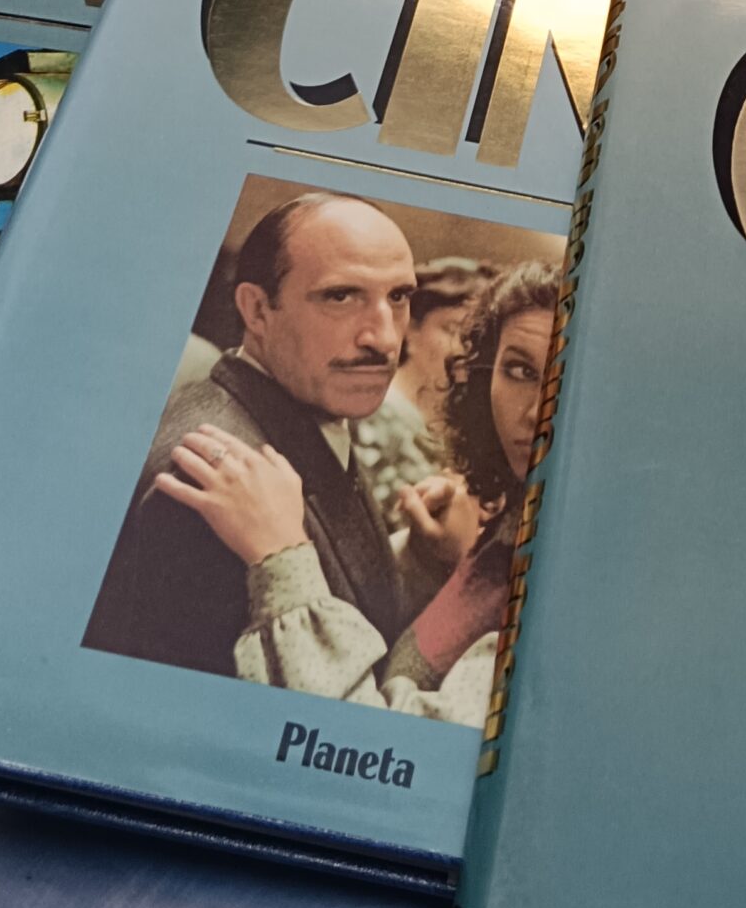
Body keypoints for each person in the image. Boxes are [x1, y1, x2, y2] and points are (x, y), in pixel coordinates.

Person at [83, 193, 470, 679]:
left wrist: (419, 559)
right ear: (257, 310)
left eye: (398, 297)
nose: (385, 338)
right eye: (340, 297)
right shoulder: (213, 481)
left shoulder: (307, 411)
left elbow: (348, 593)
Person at [152, 260, 558, 723]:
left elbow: (374, 741)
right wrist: (432, 565)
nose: (538, 412)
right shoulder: (509, 523)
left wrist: (280, 558)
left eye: (567, 384)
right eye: (521, 370)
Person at [355, 256, 493, 523]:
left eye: (477, 336)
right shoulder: (372, 411)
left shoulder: (464, 421)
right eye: (451, 330)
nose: (464, 349)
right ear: (411, 329)